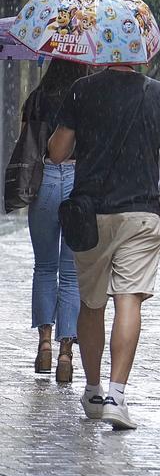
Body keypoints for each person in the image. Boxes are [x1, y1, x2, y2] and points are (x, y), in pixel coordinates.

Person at [46, 63, 160, 430]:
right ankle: (116, 396)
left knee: (91, 304)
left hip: (90, 215)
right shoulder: (158, 93)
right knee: (129, 300)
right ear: (143, 54)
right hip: (140, 214)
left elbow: (57, 153)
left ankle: (92, 391)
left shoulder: (82, 89)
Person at [4, 59, 90, 383]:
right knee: (70, 273)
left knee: (44, 267)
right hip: (77, 181)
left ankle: (43, 345)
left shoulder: (37, 97)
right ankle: (66, 352)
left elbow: (25, 140)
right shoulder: (85, 97)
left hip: (44, 182)